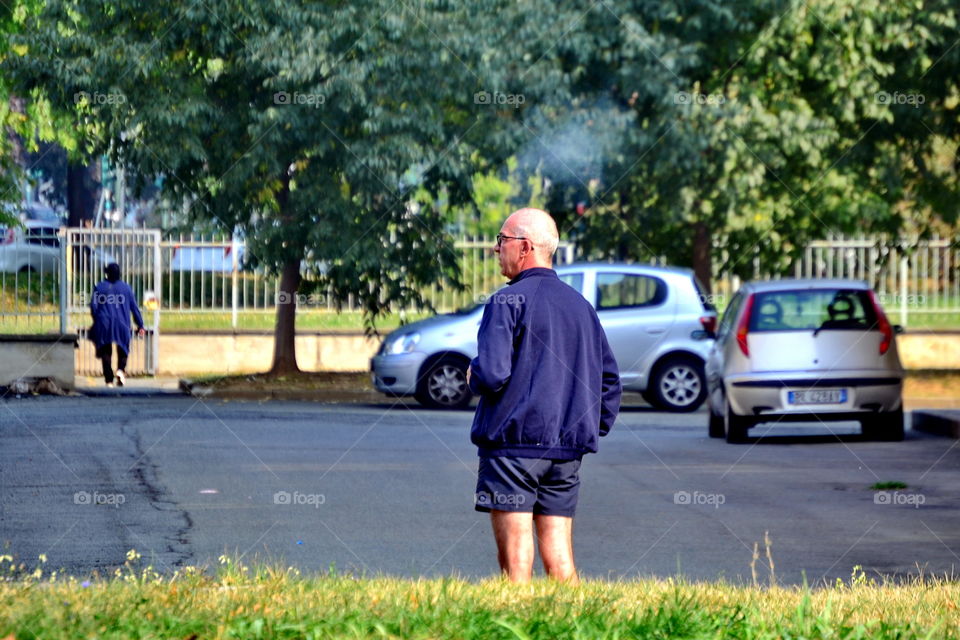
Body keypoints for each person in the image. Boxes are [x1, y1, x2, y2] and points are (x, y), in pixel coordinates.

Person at [466, 208, 621, 583]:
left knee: (516, 557)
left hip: (512, 448)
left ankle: (518, 623)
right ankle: (571, 624)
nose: (495, 249)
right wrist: (585, 428)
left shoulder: (506, 302)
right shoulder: (581, 307)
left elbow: (491, 373)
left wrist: (473, 374)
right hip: (566, 450)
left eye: (501, 241)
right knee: (560, 555)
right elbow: (609, 382)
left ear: (524, 247)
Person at [90, 263, 145, 387]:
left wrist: (97, 319)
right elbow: (134, 308)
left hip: (104, 323)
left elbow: (93, 307)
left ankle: (109, 380)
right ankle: (120, 370)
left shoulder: (99, 287)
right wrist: (140, 325)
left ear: (107, 273)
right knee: (123, 348)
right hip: (122, 323)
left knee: (105, 350)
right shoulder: (127, 288)